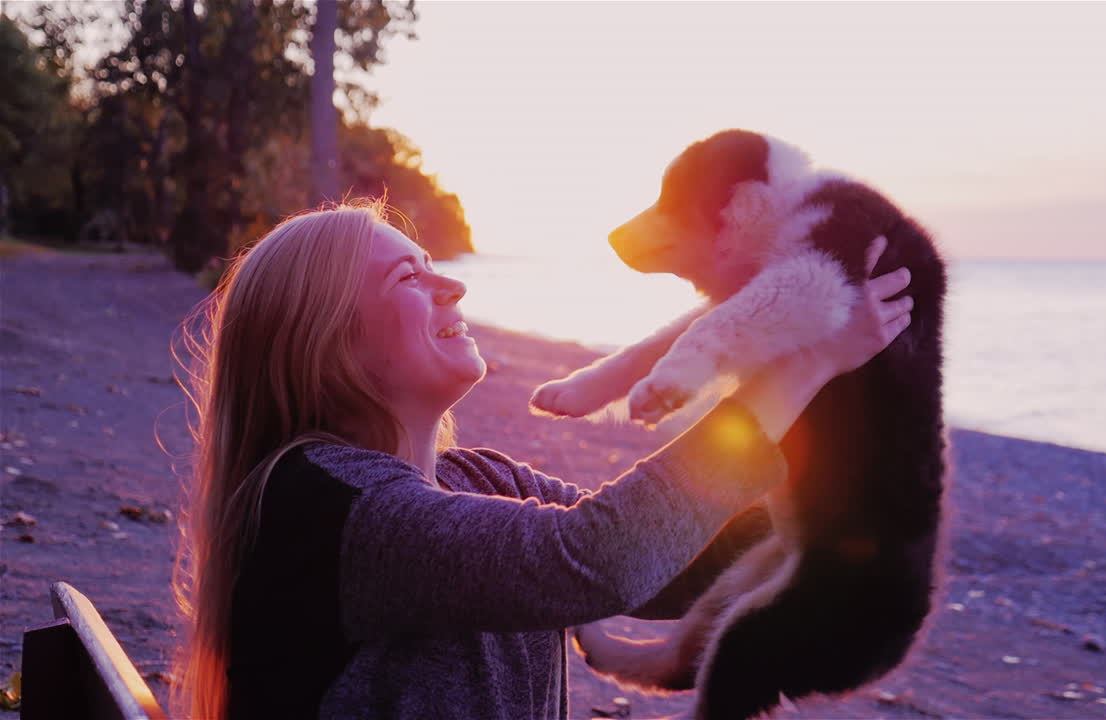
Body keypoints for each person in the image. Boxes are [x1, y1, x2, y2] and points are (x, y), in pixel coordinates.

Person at [171, 200, 913, 720]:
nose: (453, 283)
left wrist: (840, 494)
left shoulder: (474, 480)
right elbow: (600, 560)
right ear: (323, 340)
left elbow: (671, 566)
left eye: (434, 263)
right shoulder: (328, 508)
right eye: (408, 278)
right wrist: (804, 364)